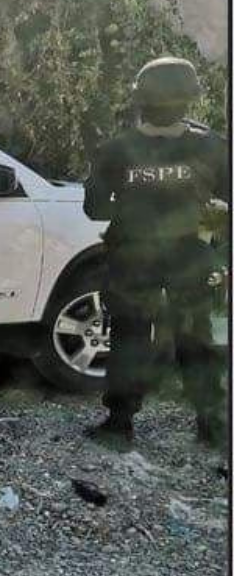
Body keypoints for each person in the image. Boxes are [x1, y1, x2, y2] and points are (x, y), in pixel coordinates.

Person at [83, 57, 229, 447]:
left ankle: (119, 425)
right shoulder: (213, 146)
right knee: (195, 335)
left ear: (140, 100)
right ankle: (211, 424)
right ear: (190, 100)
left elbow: (94, 208)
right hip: (191, 254)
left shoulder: (115, 148)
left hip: (132, 255)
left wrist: (131, 208)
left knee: (130, 335)